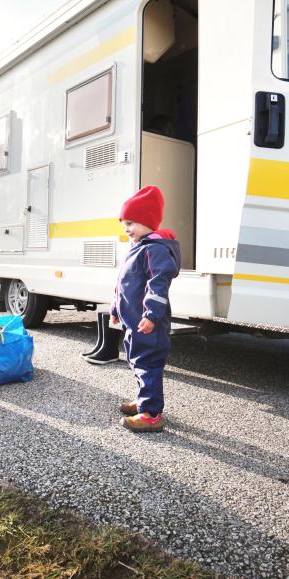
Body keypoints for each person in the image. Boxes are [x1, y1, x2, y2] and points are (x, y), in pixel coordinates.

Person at [110, 185, 180, 433]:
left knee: (148, 364)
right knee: (137, 361)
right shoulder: (138, 247)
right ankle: (144, 401)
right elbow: (123, 283)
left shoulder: (155, 249)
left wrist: (151, 315)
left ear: (148, 221)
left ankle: (151, 414)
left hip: (149, 324)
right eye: (124, 224)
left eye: (131, 223)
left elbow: (158, 284)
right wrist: (115, 309)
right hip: (135, 323)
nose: (126, 229)